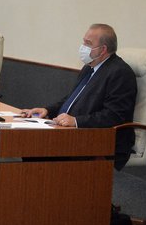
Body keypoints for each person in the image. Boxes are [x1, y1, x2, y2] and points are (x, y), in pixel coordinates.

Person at [20, 24, 136, 170]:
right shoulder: (89, 67)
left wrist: (76, 121)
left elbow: (114, 116)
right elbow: (72, 99)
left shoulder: (120, 73)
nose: (83, 47)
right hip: (73, 132)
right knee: (31, 142)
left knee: (39, 146)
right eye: (83, 42)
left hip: (98, 138)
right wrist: (47, 110)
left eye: (88, 44)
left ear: (103, 49)